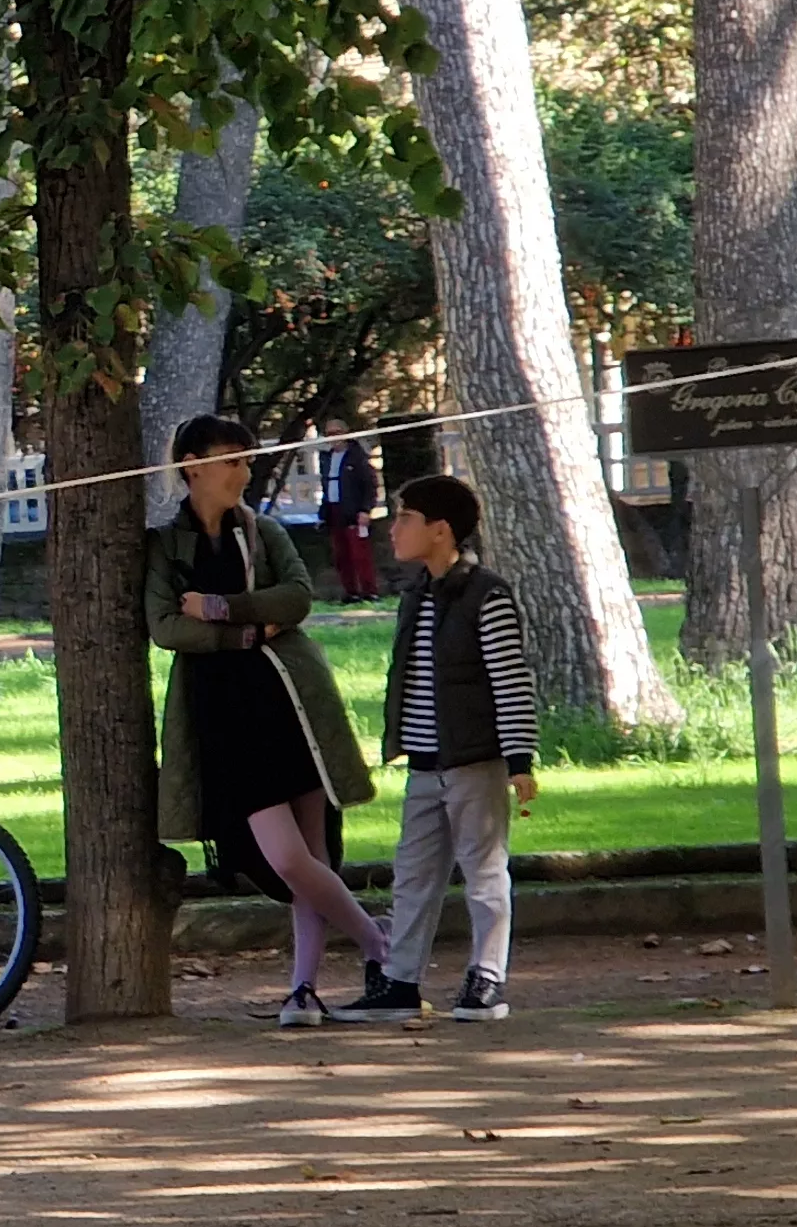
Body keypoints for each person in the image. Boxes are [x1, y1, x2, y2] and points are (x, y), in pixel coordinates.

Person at [150, 415, 392, 1029]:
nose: (243, 471)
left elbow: (298, 596)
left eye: (247, 460)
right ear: (192, 465)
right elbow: (166, 627)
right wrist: (247, 633)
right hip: (223, 712)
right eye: (231, 460)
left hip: (288, 700)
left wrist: (224, 609)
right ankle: (382, 946)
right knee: (286, 860)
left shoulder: (264, 532)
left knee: (313, 852)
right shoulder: (165, 545)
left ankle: (303, 992)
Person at [335, 474, 539, 1024]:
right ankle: (400, 980)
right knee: (414, 874)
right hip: (425, 764)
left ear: (440, 530)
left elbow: (510, 681)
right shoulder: (416, 595)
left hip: (474, 762)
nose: (394, 528)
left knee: (484, 871)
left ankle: (486, 977)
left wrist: (519, 761)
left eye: (405, 518)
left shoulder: (486, 596)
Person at [318, 418, 385, 600]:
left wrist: (365, 509)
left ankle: (369, 591)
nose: (333, 438)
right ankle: (350, 591)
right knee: (341, 555)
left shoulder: (357, 457)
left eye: (337, 433)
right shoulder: (326, 458)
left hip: (354, 511)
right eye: (329, 434)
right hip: (334, 510)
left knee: (360, 553)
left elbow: (370, 485)